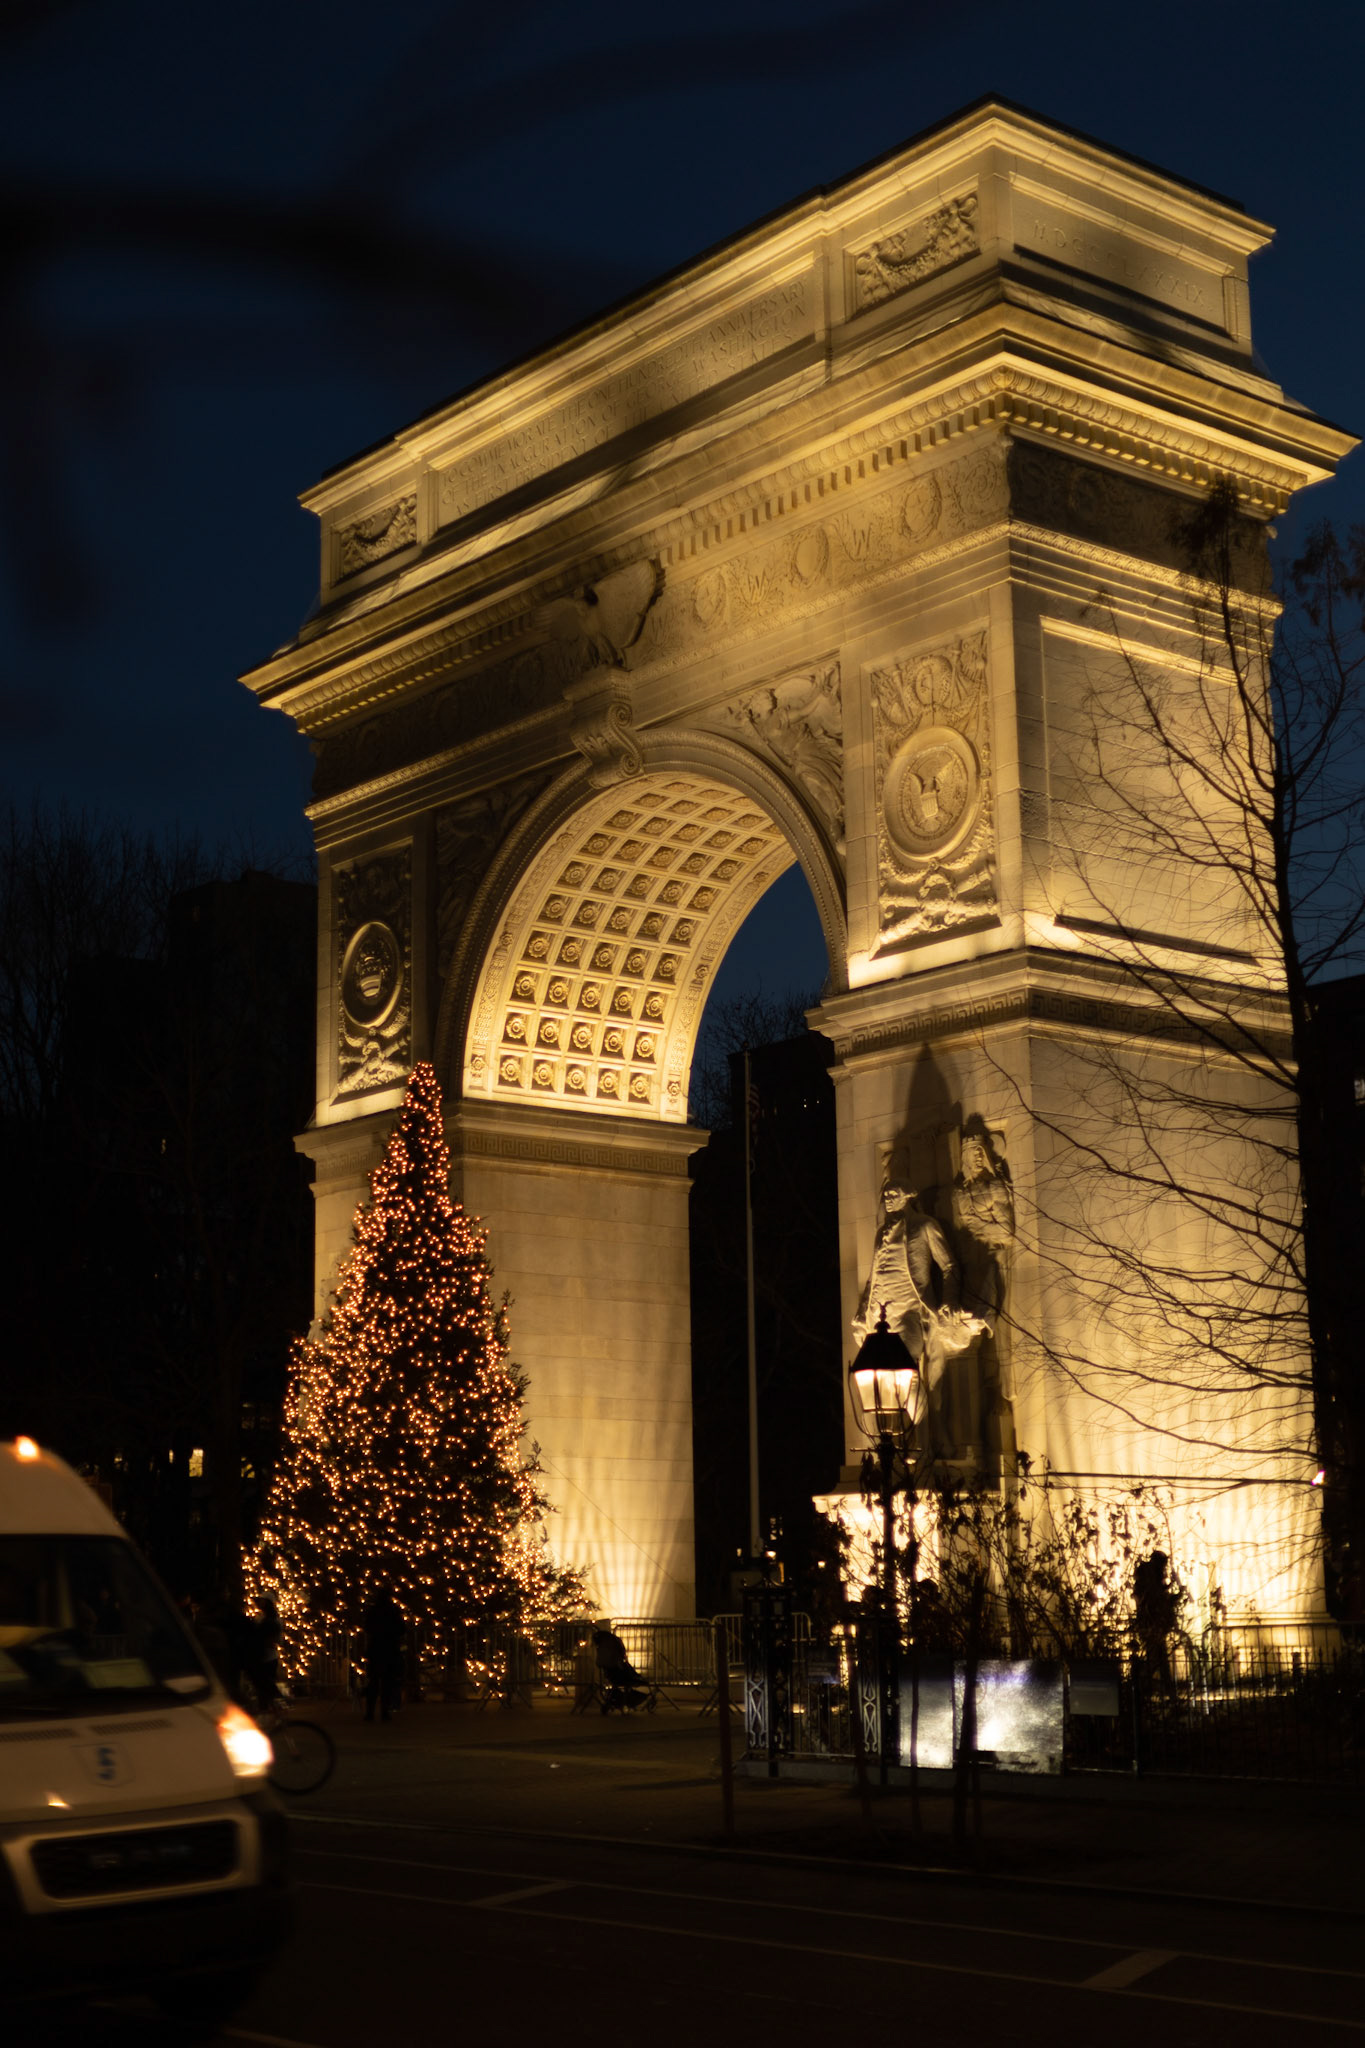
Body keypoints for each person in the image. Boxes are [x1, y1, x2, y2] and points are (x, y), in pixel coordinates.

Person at [362, 1586, 407, 1723]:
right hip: (389, 1649)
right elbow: (402, 1628)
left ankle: (370, 1712)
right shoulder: (393, 1611)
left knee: (374, 1682)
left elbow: (367, 1627)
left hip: (376, 1649)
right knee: (387, 1682)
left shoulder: (373, 1611)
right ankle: (384, 1712)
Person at [592, 1622, 649, 1710]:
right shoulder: (615, 1654)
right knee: (628, 1680)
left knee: (620, 1680)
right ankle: (627, 1701)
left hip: (611, 1673)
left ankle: (620, 1700)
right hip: (620, 1674)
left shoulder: (605, 1654)